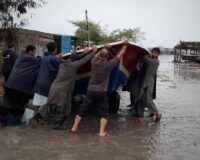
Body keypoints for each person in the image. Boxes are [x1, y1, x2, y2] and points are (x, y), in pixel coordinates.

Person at [71, 40, 129, 137]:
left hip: (90, 90)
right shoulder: (109, 64)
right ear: (107, 57)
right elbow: (119, 56)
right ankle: (101, 132)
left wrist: (105, 47)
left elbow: (97, 55)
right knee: (104, 112)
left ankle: (74, 127)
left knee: (83, 109)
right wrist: (125, 46)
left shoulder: (94, 62)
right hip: (102, 91)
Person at [34, 45, 98, 129]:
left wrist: (83, 53)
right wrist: (94, 51)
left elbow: (76, 58)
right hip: (62, 90)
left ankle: (38, 118)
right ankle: (57, 126)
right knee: (65, 109)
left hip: (53, 88)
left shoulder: (62, 63)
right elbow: (85, 59)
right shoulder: (74, 65)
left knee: (49, 105)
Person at [0, 45, 41, 125]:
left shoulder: (20, 57)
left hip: (10, 85)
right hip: (21, 89)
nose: (34, 54)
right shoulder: (27, 58)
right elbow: (41, 61)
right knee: (18, 107)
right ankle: (14, 123)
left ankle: (3, 121)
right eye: (34, 52)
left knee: (7, 103)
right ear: (30, 51)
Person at [134, 47, 162, 123]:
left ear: (159, 54)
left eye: (156, 53)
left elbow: (143, 58)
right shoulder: (150, 60)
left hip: (149, 83)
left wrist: (147, 54)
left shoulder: (155, 62)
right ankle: (140, 117)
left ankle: (157, 113)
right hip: (143, 83)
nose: (154, 54)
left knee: (148, 101)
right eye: (153, 52)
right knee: (140, 99)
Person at [33, 42, 61, 107]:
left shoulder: (44, 58)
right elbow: (64, 64)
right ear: (55, 49)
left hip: (39, 84)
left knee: (37, 105)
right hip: (46, 86)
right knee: (43, 108)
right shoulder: (53, 59)